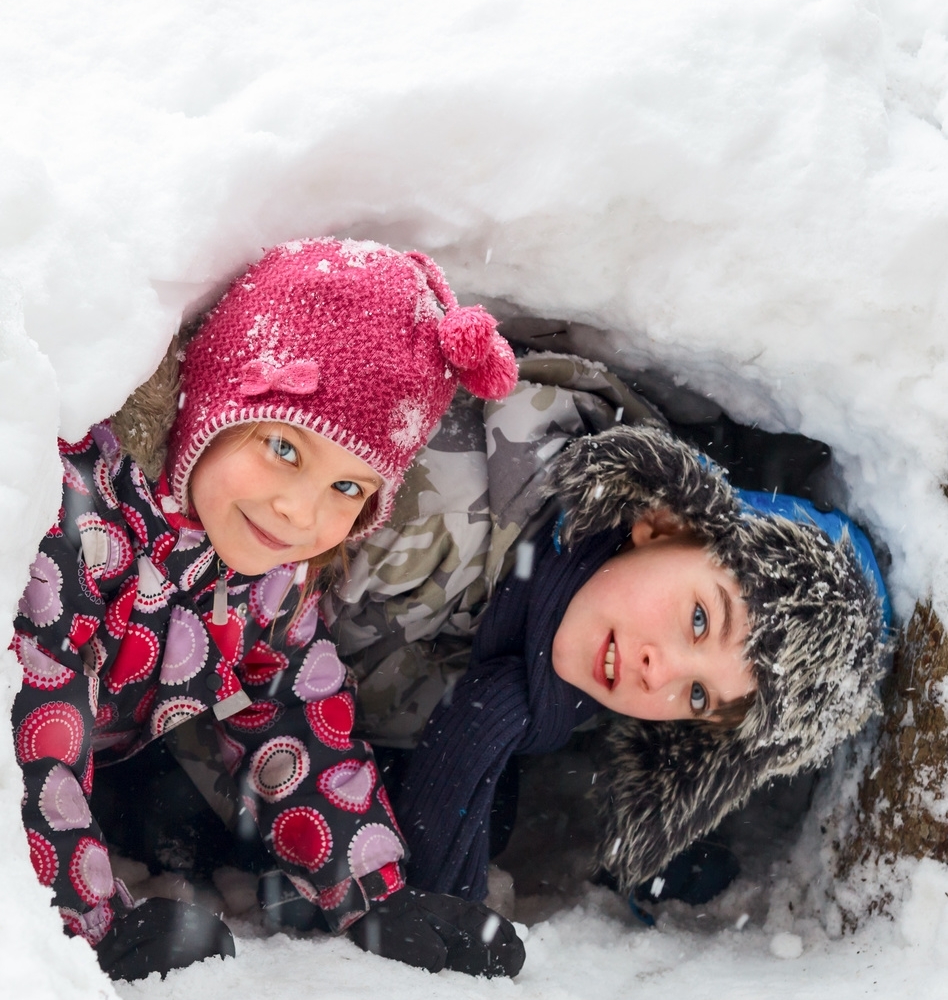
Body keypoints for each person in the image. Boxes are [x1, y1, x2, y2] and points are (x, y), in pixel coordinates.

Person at [132, 346, 891, 966]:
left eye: (698, 698)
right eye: (698, 618)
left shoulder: (566, 685)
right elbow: (235, 625)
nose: (662, 671)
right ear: (662, 525)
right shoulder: (444, 492)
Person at [11, 237, 524, 983]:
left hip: (110, 750)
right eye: (284, 447)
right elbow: (32, 723)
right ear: (217, 403)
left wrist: (374, 895)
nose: (299, 510)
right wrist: (89, 922)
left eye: (348, 489)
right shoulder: (84, 518)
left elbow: (292, 713)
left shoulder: (268, 572)